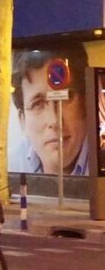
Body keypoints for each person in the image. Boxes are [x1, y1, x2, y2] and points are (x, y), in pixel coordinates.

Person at [11, 48, 89, 176]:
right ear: (22, 120)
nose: (54, 120)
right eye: (38, 104)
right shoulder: (11, 165)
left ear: (85, 103)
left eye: (65, 98)